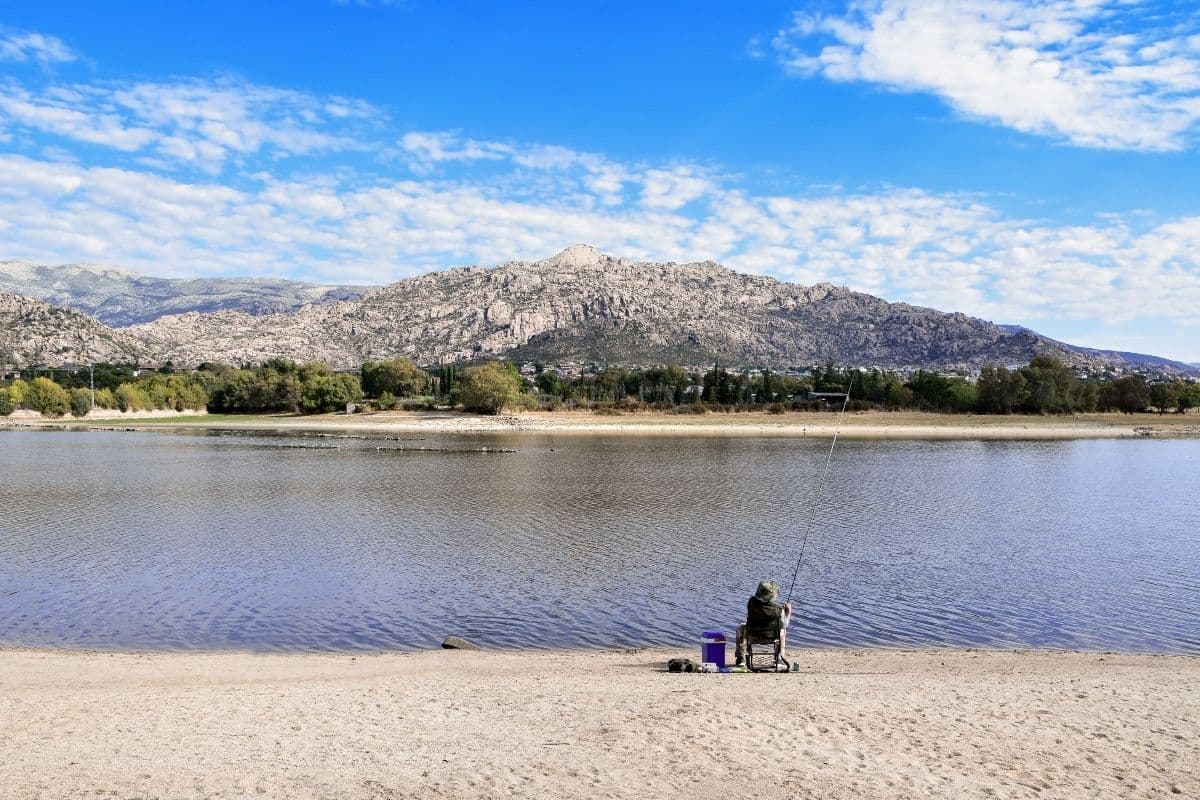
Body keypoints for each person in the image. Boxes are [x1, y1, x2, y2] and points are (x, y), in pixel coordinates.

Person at [734, 579, 791, 667]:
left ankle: (741, 657)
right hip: (771, 637)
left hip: (752, 635)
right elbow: (785, 624)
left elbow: (762, 608)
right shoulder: (779, 610)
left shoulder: (751, 603)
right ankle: (780, 658)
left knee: (740, 628)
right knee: (782, 630)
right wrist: (788, 612)